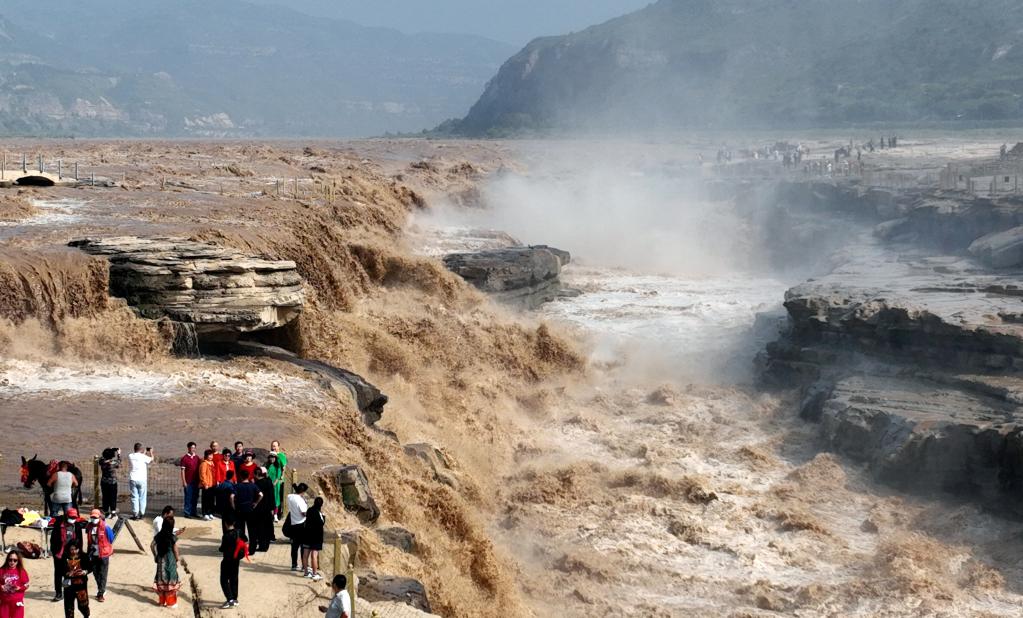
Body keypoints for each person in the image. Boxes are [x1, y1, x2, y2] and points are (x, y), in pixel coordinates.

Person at [50, 507, 84, 602]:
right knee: (58, 573)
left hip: (72, 554)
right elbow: (53, 539)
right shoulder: (59, 524)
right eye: (71, 517)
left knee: (71, 573)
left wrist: (79, 552)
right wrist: (54, 551)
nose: (73, 519)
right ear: (67, 516)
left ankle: (69, 592)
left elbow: (80, 540)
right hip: (59, 553)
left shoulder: (76, 525)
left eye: (74, 517)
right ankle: (58, 593)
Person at [218, 518, 250, 609]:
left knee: (224, 580)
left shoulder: (226, 536)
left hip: (227, 561)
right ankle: (235, 599)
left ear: (225, 524)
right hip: (236, 560)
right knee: (234, 579)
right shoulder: (239, 531)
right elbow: (246, 540)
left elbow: (222, 548)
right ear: (234, 522)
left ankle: (230, 599)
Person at [85, 510, 115, 603]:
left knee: (103, 573)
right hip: (93, 553)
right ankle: (102, 588)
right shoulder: (89, 527)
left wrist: (103, 546)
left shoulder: (106, 527)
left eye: (95, 517)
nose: (93, 519)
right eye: (92, 517)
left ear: (100, 517)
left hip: (104, 554)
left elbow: (111, 538)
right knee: (95, 572)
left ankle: (101, 593)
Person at [151, 515, 181, 607]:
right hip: (170, 560)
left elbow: (152, 545)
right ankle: (170, 603)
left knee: (161, 579)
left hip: (160, 560)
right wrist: (177, 559)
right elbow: (175, 550)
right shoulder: (172, 537)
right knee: (171, 580)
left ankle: (162, 601)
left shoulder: (158, 536)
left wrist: (155, 556)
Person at [230, 470, 262, 544]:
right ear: (248, 476)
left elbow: (231, 497)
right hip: (250, 509)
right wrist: (256, 503)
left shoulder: (237, 486)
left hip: (240, 510)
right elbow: (261, 494)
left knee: (240, 529)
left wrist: (233, 506)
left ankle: (241, 546)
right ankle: (252, 548)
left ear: (241, 477)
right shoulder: (253, 485)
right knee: (252, 529)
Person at [61, 543, 91, 618]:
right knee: (69, 607)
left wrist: (85, 572)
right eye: (72, 549)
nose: (74, 551)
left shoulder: (84, 556)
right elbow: (60, 570)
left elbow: (90, 567)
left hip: (81, 586)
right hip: (69, 587)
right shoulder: (64, 557)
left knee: (83, 605)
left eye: (75, 549)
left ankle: (86, 616)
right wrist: (67, 574)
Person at [284, 483, 308, 571]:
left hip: (293, 524)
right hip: (302, 524)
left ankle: (294, 564)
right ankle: (303, 565)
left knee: (294, 546)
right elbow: (304, 513)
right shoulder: (300, 501)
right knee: (303, 546)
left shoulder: (290, 497)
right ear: (303, 491)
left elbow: (294, 494)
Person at [0, 550, 29, 618]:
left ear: (18, 561)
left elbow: (26, 584)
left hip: (17, 602)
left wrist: (20, 588)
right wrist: (1, 586)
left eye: (15, 560)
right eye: (10, 560)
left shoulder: (21, 571)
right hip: (5, 602)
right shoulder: (1, 570)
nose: (12, 562)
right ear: (7, 560)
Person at [128, 444, 154, 520]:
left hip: (133, 478)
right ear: (141, 449)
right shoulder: (143, 457)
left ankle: (135, 514)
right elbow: (151, 459)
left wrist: (144, 452)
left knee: (134, 497)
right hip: (142, 479)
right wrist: (151, 452)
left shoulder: (130, 456)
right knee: (142, 497)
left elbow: (139, 456)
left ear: (134, 448)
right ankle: (142, 513)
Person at [302, 497, 325, 581]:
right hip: (316, 537)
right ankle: (315, 574)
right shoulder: (318, 512)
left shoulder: (309, 510)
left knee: (305, 554)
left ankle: (306, 573)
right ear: (321, 505)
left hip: (307, 535)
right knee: (314, 555)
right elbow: (321, 523)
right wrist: (323, 516)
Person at [252, 468, 275, 552]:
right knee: (267, 526)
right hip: (268, 508)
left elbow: (255, 497)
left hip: (260, 509)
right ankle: (266, 545)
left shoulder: (257, 484)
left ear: (257, 475)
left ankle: (262, 546)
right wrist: (273, 508)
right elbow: (272, 496)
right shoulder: (269, 482)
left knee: (260, 528)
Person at [179, 442, 200, 518]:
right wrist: (184, 481)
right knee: (188, 497)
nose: (193, 449)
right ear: (188, 448)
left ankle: (194, 512)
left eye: (194, 448)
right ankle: (187, 512)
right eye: (191, 448)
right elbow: (182, 470)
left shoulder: (197, 458)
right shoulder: (184, 458)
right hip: (188, 481)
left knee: (195, 497)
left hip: (196, 481)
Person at [98, 448, 121, 518]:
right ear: (112, 455)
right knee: (113, 497)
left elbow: (101, 458)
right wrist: (119, 454)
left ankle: (106, 512)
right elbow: (119, 462)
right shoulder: (113, 463)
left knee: (105, 497)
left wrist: (110, 450)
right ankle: (113, 512)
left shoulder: (102, 461)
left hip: (104, 482)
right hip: (112, 483)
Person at [268, 441, 287, 517]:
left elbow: (284, 466)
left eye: (275, 446)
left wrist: (281, 476)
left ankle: (279, 513)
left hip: (279, 479)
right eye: (273, 446)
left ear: (278, 446)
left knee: (278, 496)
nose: (274, 448)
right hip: (272, 478)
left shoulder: (281, 455)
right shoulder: (271, 455)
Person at [199, 449, 216, 520]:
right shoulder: (204, 464)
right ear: (206, 456)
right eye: (209, 455)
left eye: (211, 455)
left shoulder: (212, 463)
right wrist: (205, 483)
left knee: (211, 500)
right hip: (206, 485)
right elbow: (202, 475)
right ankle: (205, 513)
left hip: (212, 484)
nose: (210, 456)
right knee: (205, 500)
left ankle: (210, 513)